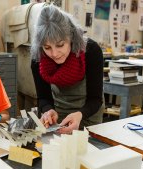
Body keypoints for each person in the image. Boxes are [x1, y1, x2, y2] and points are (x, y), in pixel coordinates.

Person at [30, 5, 104, 134]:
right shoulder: (38, 58)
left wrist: (80, 114)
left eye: (60, 45)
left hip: (89, 116)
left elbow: (95, 99)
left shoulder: (90, 51)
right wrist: (48, 110)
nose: (54, 53)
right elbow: (43, 97)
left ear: (71, 36)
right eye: (47, 47)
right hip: (58, 120)